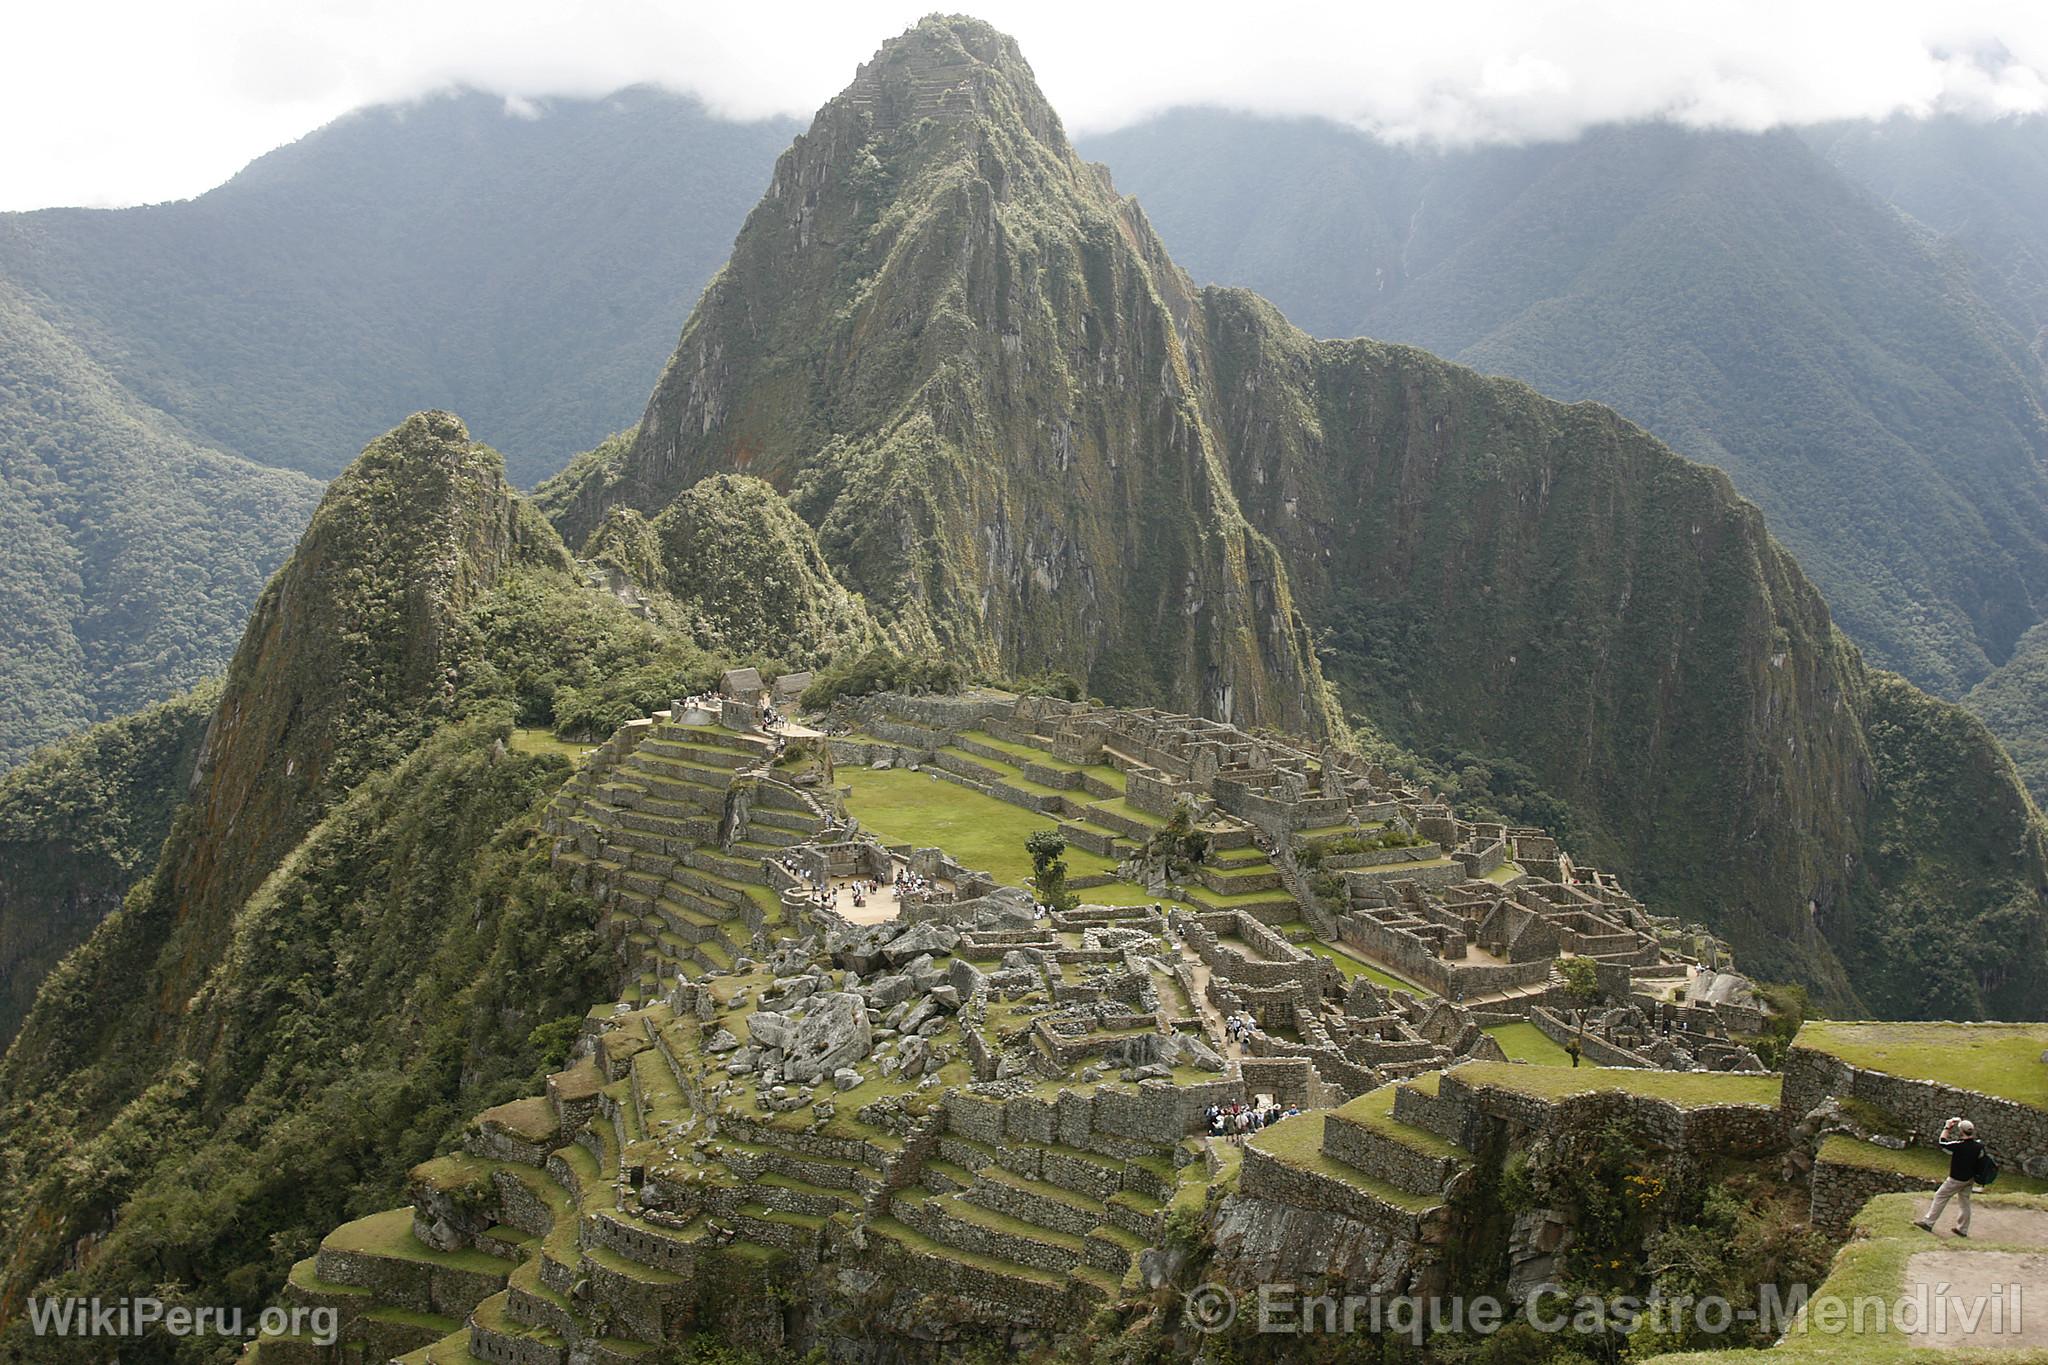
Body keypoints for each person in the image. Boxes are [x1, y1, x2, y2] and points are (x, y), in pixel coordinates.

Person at [1916, 1118, 1983, 1237]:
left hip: (1956, 1178)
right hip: (1969, 1179)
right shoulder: (1978, 1146)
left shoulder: (1959, 1145)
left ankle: (1928, 1222)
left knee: (1940, 1196)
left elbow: (1942, 1142)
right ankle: (1962, 1229)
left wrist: (1947, 1127)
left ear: (1961, 1131)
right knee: (1964, 1202)